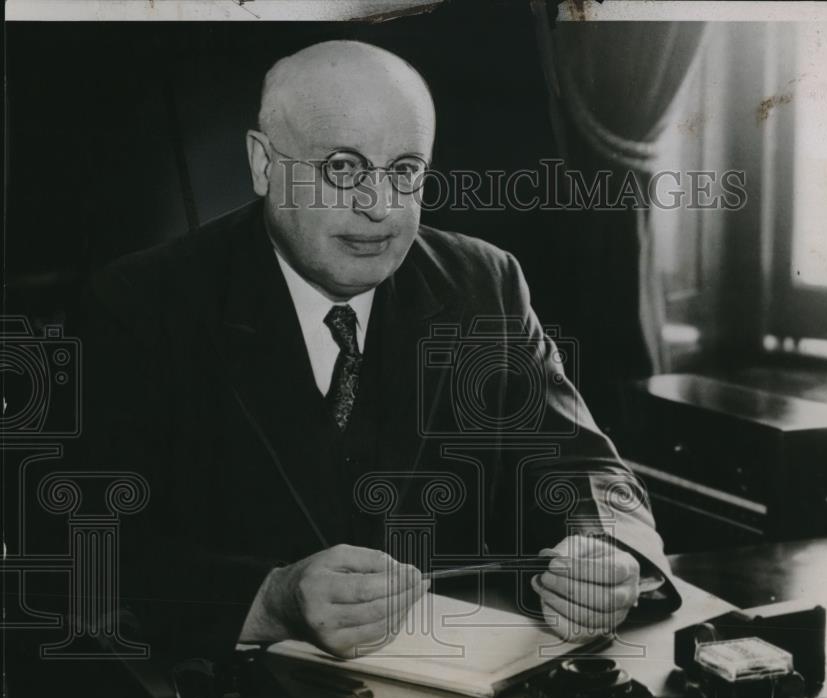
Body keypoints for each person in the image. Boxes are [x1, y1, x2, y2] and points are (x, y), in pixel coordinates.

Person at [81, 40, 678, 666]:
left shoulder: (483, 285)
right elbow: (87, 553)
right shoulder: (141, 304)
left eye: (405, 171)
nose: (380, 207)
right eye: (343, 168)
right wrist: (269, 600)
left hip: (460, 691)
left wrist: (607, 555)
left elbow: (589, 471)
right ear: (262, 164)